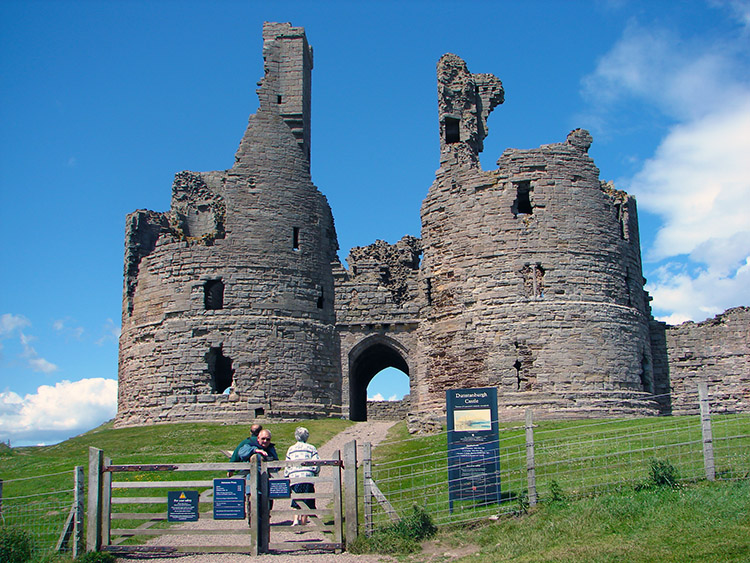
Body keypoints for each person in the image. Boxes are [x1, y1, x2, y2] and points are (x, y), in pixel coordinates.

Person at [284, 426, 320, 525]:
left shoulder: (291, 449)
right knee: (307, 500)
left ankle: (295, 520)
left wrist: (287, 475)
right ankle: (303, 523)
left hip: (295, 478)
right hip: (307, 477)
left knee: (297, 499)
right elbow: (316, 462)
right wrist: (315, 473)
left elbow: (287, 463)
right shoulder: (311, 448)